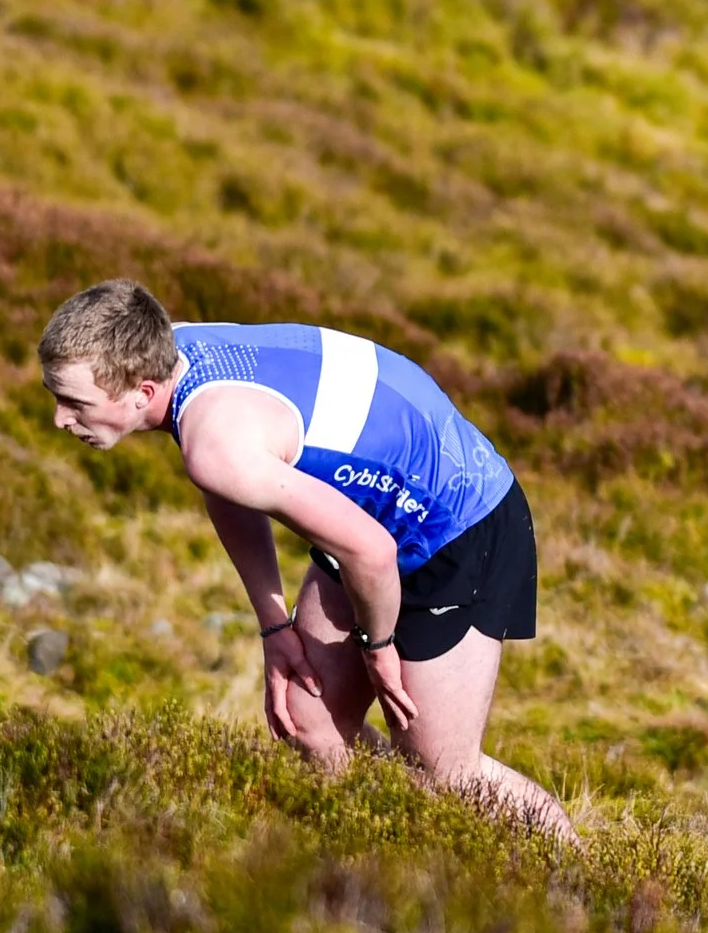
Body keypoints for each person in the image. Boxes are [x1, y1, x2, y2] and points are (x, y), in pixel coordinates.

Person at [38, 279, 574, 840]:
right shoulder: (174, 348)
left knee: (445, 772)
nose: (59, 418)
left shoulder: (214, 441)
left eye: (74, 403)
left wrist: (380, 645)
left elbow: (371, 550)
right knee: (306, 718)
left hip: (461, 527)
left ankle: (583, 881)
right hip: (375, 515)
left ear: (142, 391)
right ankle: (373, 854)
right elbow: (233, 489)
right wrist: (275, 626)